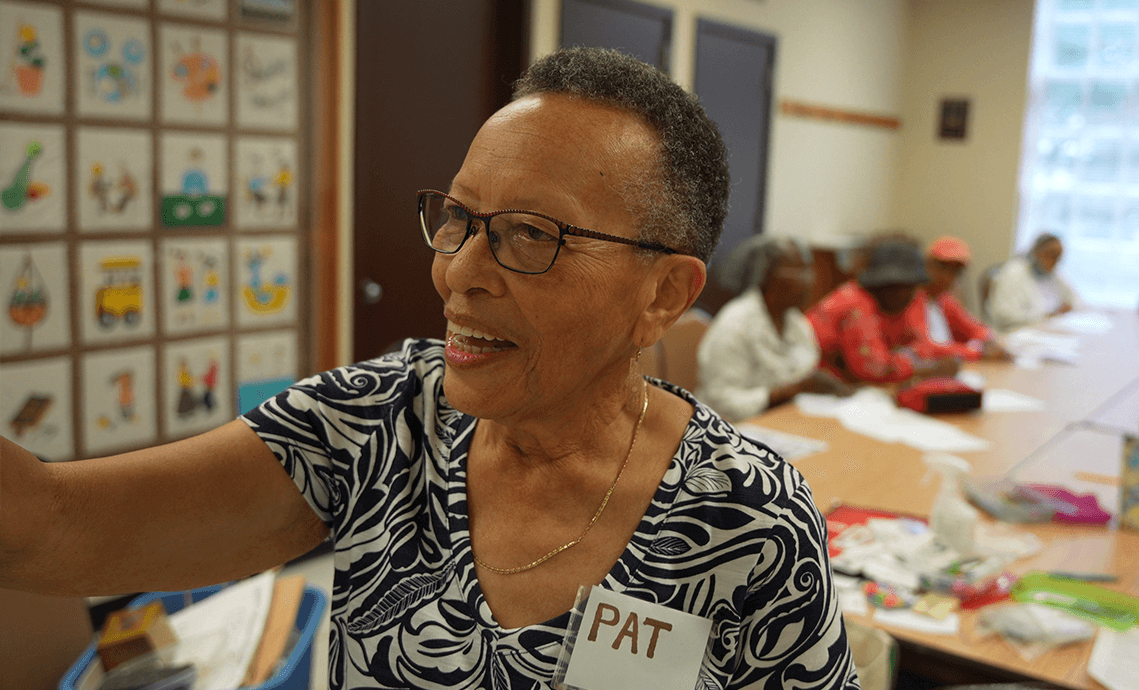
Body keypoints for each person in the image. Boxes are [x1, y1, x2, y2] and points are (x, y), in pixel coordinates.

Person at [0, 48, 858, 689]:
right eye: (459, 218)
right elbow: (48, 523)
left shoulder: (746, 521)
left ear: (665, 294)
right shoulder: (379, 425)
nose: (457, 271)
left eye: (531, 234)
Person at [696, 235, 855, 422]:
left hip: (784, 421)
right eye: (797, 270)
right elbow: (721, 402)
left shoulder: (796, 322)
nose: (809, 280)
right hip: (730, 427)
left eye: (808, 270)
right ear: (765, 275)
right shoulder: (734, 324)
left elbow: (804, 370)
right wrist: (790, 391)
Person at [807, 238, 961, 383]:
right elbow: (875, 369)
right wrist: (929, 370)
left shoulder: (887, 306)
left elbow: (921, 345)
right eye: (896, 286)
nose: (904, 294)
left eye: (909, 287)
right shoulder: (856, 303)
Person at [904, 236, 1009, 361]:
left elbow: (974, 328)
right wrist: (977, 353)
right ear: (926, 265)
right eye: (943, 267)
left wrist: (991, 341)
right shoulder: (911, 298)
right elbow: (925, 347)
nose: (948, 277)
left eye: (956, 271)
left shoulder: (943, 299)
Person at [986, 232, 1079, 331]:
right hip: (1014, 332)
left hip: (1041, 331)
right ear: (1036, 251)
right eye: (1050, 255)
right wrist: (1046, 316)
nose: (1054, 262)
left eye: (1058, 258)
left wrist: (1061, 311)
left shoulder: (1054, 276)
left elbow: (1075, 300)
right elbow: (1004, 315)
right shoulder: (1013, 272)